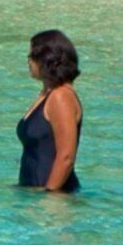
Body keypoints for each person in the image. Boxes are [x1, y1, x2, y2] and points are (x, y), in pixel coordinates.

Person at [18, 29, 82, 191]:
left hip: (54, 196)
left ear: (46, 59)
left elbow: (66, 157)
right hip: (36, 193)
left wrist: (49, 196)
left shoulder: (61, 97)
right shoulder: (47, 93)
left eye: (31, 56)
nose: (28, 61)